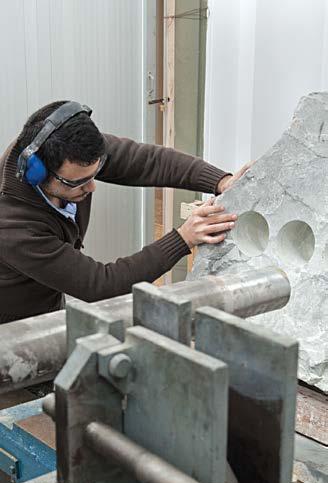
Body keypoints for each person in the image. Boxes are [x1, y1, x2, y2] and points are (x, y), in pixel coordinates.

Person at [0, 100, 248, 324]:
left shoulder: (63, 148)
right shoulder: (12, 227)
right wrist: (182, 238)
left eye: (94, 175)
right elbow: (101, 285)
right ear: (37, 174)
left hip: (47, 302)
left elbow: (148, 161)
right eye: (77, 183)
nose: (92, 187)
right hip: (12, 326)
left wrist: (220, 181)